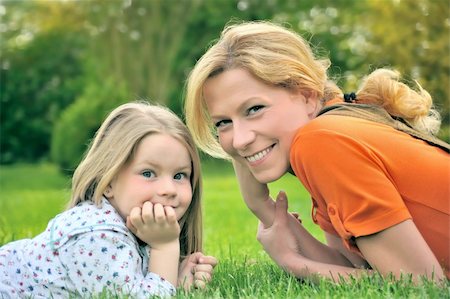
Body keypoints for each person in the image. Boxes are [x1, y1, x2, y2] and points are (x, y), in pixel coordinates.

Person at [184, 20, 449, 283]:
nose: (240, 140)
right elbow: (351, 266)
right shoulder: (332, 128)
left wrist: (293, 263)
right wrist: (262, 206)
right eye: (223, 122)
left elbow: (421, 284)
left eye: (254, 109)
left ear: (307, 96)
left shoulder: (321, 141)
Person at [0, 102, 217, 298]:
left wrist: (176, 277)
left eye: (179, 176)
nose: (169, 189)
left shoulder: (134, 229)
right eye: (148, 173)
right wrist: (165, 248)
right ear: (109, 181)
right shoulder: (97, 236)